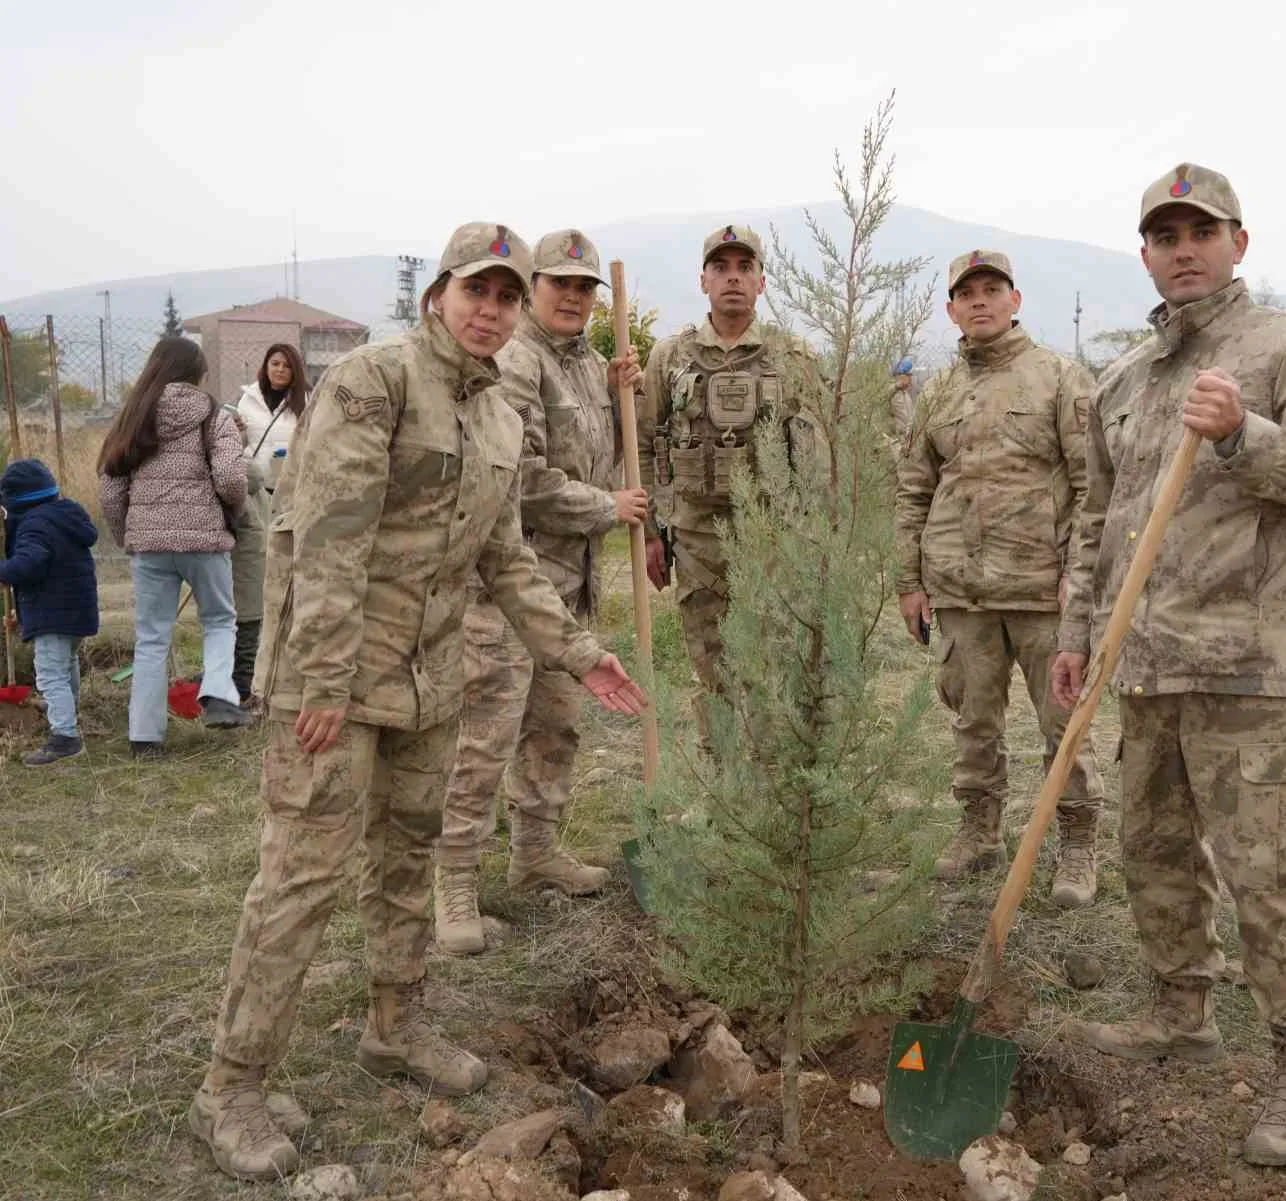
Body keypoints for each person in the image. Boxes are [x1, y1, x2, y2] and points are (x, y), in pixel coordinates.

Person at [189, 223, 646, 1183]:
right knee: (302, 878)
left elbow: (504, 556)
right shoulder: (373, 381)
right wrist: (317, 681)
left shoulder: (497, 416)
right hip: (340, 684)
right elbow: (326, 537)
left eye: (506, 296)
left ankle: (395, 1026)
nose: (491, 310)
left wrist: (578, 650)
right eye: (475, 290)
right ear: (440, 291)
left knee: (406, 860)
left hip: (432, 683)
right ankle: (231, 1084)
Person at [1050, 163, 1286, 1167]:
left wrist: (1245, 432)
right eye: (1164, 234)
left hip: (1252, 662)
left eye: (1201, 231)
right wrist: (1075, 630)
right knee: (1153, 849)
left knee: (1270, 871)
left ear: (1239, 242)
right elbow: (1096, 521)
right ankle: (1179, 1010)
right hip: (1143, 660)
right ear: (1145, 253)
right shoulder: (1123, 380)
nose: (1182, 248)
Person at [434, 228, 648, 954]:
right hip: (505, 587)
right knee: (485, 738)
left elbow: (612, 452)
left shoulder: (589, 365)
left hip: (569, 587)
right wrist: (604, 507)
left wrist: (627, 397)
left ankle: (535, 852)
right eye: (560, 284)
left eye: (586, 287)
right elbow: (518, 478)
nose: (574, 298)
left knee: (555, 728)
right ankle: (455, 883)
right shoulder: (516, 361)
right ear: (537, 288)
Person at [895, 249, 1105, 905]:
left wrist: (1083, 576)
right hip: (963, 592)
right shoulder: (940, 391)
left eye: (993, 289)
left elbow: (1092, 486)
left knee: (1063, 724)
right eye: (967, 293)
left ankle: (1075, 842)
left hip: (1045, 591)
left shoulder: (1059, 379)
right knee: (972, 721)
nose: (980, 301)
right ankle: (979, 829)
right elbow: (913, 489)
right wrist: (910, 578)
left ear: (1016, 300)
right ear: (951, 309)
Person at [637, 224, 818, 748]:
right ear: (703, 281)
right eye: (721, 268)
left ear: (762, 282)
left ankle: (768, 789)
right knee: (712, 671)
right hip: (698, 542)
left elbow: (818, 456)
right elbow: (646, 446)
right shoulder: (670, 358)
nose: (733, 278)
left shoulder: (794, 357)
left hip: (774, 541)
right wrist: (651, 531)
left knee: (771, 668)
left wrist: (814, 540)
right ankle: (724, 792)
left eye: (745, 268)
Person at [98, 336, 254, 748]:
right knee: (219, 620)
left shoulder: (130, 418)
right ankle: (220, 696)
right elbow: (231, 479)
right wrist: (231, 515)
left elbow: (111, 493)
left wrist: (130, 536)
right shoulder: (212, 415)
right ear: (197, 375)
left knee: (152, 639)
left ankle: (144, 737)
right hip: (205, 540)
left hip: (149, 545)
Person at [0, 458, 99, 765]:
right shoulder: (65, 515)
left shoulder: (34, 525)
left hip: (53, 614)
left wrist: (4, 571)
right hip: (75, 610)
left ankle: (65, 738)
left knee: (50, 675)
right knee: (66, 664)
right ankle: (67, 711)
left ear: (16, 502)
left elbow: (29, 564)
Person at [228, 343, 307, 703]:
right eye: (274, 363)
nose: (279, 371)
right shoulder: (247, 400)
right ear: (265, 365)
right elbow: (237, 445)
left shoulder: (305, 402)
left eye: (286, 366)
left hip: (288, 486)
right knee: (256, 561)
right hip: (253, 488)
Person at [891, 355, 917, 446]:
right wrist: (896, 386)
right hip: (897, 441)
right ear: (900, 376)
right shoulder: (892, 393)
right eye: (908, 375)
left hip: (908, 439)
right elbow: (882, 395)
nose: (910, 378)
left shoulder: (906, 394)